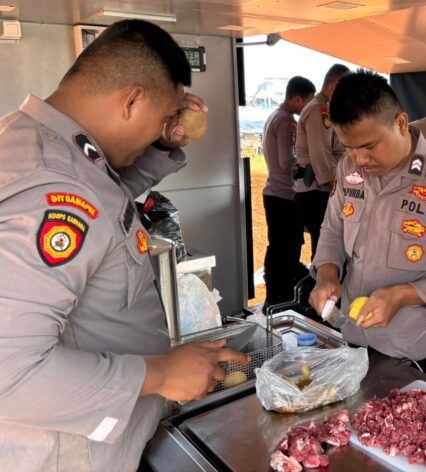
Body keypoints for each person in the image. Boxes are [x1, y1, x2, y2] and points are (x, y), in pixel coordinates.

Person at [0, 20, 248, 471]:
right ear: (132, 100)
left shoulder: (43, 147)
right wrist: (163, 374)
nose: (164, 127)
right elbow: (8, 372)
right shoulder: (51, 190)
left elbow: (104, 204)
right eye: (161, 117)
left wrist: (158, 148)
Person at [308, 70, 426, 386]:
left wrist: (404, 295)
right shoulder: (349, 170)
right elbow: (333, 229)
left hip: (420, 351)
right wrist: (326, 274)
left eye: (369, 146)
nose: (359, 158)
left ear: (401, 124)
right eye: (348, 147)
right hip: (355, 340)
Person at [262, 76, 316, 309]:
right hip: (284, 196)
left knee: (278, 247)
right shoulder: (287, 122)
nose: (308, 109)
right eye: (308, 103)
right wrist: (308, 168)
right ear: (297, 99)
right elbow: (287, 162)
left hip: (274, 194)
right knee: (288, 249)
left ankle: (274, 297)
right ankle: (282, 299)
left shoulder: (273, 116)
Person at [293, 64, 350, 258]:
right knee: (325, 247)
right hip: (317, 191)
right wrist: (335, 185)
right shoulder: (319, 110)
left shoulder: (323, 109)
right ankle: (320, 284)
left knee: (326, 245)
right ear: (335, 86)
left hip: (318, 190)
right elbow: (320, 153)